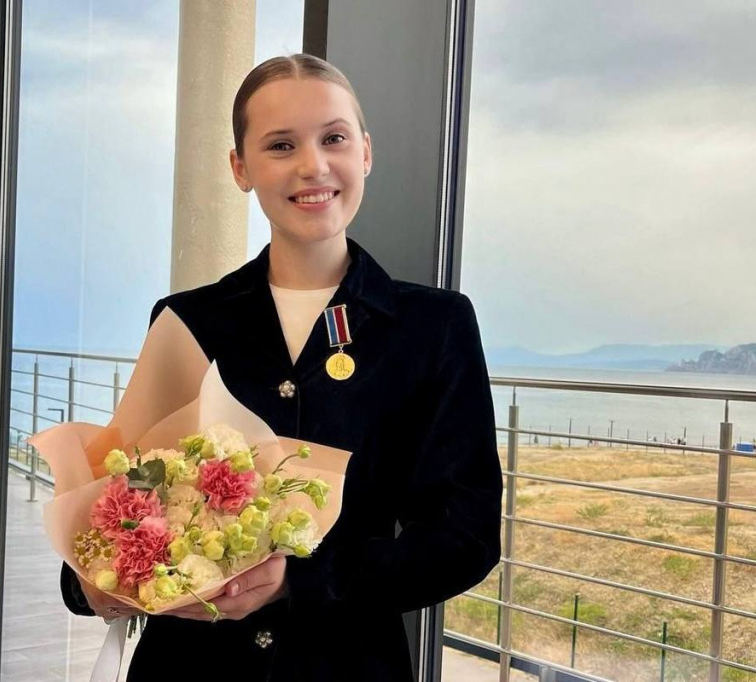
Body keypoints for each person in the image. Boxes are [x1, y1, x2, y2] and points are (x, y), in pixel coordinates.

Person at [58, 54, 502, 681]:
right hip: (190, 669)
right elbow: (127, 494)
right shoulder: (187, 320)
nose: (313, 165)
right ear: (241, 167)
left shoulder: (434, 326)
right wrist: (95, 579)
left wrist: (302, 579)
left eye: (334, 138)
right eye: (281, 145)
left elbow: (466, 538)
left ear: (366, 152)